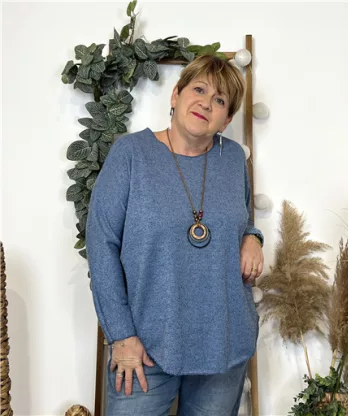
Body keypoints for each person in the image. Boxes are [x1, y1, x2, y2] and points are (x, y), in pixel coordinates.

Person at [86, 54, 264, 416]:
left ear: (227, 119)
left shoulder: (232, 159)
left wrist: (253, 237)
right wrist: (121, 335)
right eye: (198, 90)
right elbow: (101, 245)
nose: (206, 103)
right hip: (143, 348)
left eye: (219, 100)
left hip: (224, 343)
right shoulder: (130, 154)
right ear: (175, 95)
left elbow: (240, 219)